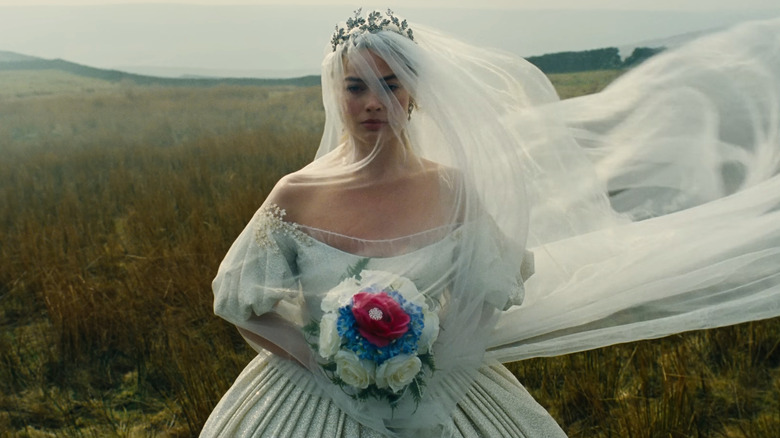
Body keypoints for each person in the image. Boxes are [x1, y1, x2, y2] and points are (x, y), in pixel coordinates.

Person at [202, 9, 780, 437]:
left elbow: (485, 294)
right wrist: (327, 366)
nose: (374, 101)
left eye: (391, 84)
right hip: (313, 401)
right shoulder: (295, 195)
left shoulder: (454, 189)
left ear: (417, 94)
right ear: (337, 93)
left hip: (442, 392)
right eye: (357, 86)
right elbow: (240, 302)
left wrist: (432, 364)